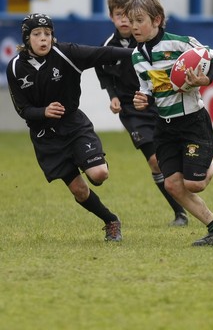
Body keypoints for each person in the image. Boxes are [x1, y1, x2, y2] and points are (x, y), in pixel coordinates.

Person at [123, 0, 213, 246]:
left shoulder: (180, 43)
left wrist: (205, 79)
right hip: (164, 127)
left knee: (195, 184)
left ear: (157, 20)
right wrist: (141, 99)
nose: (134, 26)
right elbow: (148, 89)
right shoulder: (136, 56)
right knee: (173, 185)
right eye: (131, 21)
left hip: (192, 122)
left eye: (140, 20)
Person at [6, 13, 134, 242]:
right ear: (27, 38)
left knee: (99, 174)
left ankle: (91, 159)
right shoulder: (15, 67)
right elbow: (23, 109)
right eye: (37, 34)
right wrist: (43, 111)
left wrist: (137, 54)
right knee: (79, 191)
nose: (44, 39)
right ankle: (111, 221)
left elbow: (102, 54)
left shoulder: (67, 53)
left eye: (48, 34)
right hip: (46, 136)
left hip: (73, 125)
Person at [95, 0, 188, 226]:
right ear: (111, 17)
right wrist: (112, 95)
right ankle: (180, 212)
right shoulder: (109, 45)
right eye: (119, 15)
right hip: (132, 109)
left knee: (178, 150)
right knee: (155, 161)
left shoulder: (149, 40)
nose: (125, 21)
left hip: (158, 102)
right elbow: (101, 69)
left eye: (130, 15)